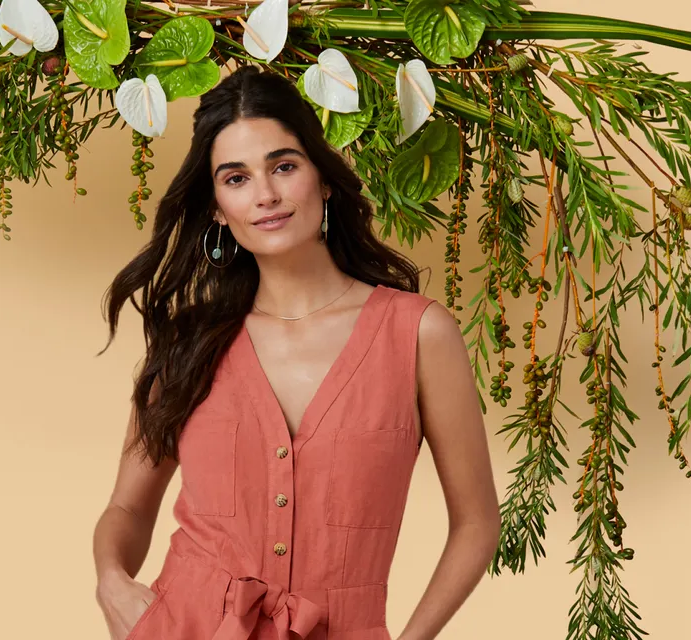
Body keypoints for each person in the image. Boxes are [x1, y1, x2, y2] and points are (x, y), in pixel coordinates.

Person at [91, 66, 500, 640]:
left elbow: (478, 524)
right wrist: (112, 581)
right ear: (215, 207)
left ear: (324, 179)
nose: (265, 195)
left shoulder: (417, 334)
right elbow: (127, 510)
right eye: (236, 179)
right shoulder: (187, 341)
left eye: (284, 166)